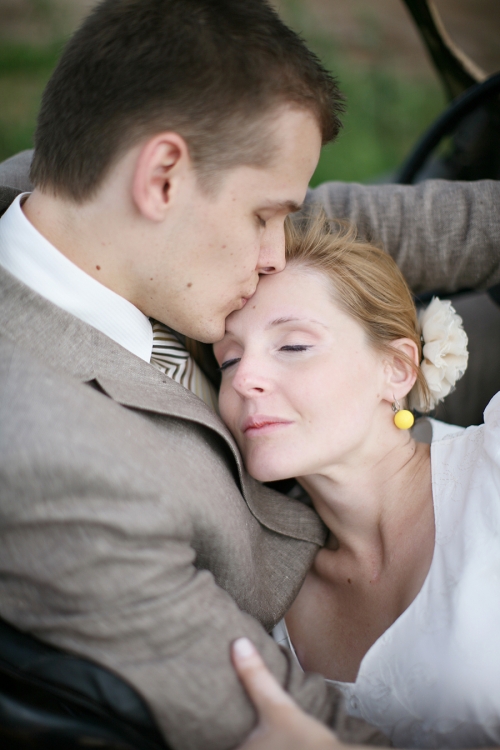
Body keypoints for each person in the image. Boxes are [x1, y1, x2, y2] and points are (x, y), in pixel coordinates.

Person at [0, 1, 374, 748]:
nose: (278, 256)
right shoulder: (54, 465)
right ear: (164, 177)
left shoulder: (57, 202)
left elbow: (347, 222)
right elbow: (294, 720)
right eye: (266, 216)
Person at [214, 212, 500, 748]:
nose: (245, 379)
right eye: (228, 360)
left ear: (396, 368)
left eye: (293, 345)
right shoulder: (266, 597)